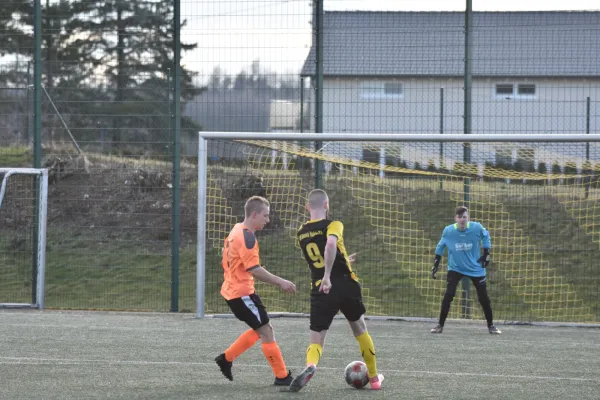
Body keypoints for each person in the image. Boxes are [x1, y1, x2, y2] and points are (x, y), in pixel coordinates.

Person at [288, 189, 384, 392]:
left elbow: (320, 259)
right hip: (343, 283)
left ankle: (311, 366)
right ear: (326, 204)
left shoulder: (301, 233)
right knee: (360, 330)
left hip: (320, 288)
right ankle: (374, 378)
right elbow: (330, 243)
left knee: (317, 338)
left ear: (307, 207)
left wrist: (331, 271)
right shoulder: (334, 224)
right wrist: (328, 276)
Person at [214, 196, 297, 385]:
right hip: (241, 294)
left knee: (261, 329)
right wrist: (280, 282)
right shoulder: (247, 237)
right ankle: (282, 377)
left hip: (235, 291)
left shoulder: (236, 229)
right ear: (254, 214)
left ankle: (226, 359)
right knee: (266, 331)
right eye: (265, 216)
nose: (267, 220)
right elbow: (254, 269)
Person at [430, 206, 501, 334]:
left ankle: (491, 326)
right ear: (455, 218)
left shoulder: (476, 228)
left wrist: (486, 253)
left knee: (483, 298)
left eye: (464, 217)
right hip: (455, 267)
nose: (462, 219)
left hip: (475, 268)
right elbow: (440, 247)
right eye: (459, 217)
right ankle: (439, 325)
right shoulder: (448, 231)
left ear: (468, 218)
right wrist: (436, 264)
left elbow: (486, 236)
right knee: (449, 294)